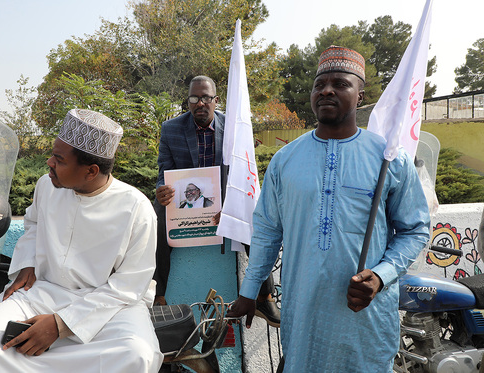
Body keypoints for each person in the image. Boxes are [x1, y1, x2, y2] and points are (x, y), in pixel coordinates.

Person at [227, 46, 431, 372]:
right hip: (303, 312)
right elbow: (267, 230)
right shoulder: (285, 160)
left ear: (360, 96)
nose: (326, 90)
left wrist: (381, 276)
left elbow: (415, 228)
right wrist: (250, 291)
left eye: (340, 83)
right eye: (319, 84)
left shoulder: (388, 158)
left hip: (365, 317)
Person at [0, 109, 163, 373]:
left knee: (136, 354)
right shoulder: (46, 186)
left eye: (59, 159)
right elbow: (32, 223)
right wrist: (28, 262)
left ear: (91, 171)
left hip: (110, 306)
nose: (49, 163)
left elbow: (128, 286)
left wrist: (60, 325)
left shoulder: (136, 208)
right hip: (43, 291)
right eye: (53, 154)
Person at [153, 75, 280, 327]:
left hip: (225, 200)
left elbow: (244, 176)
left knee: (252, 215)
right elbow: (163, 174)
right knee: (157, 214)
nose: (200, 103)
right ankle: (159, 296)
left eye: (206, 98)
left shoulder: (234, 128)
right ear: (187, 101)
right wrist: (161, 190)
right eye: (194, 98)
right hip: (186, 202)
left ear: (216, 100)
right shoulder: (171, 129)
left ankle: (264, 295)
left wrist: (231, 206)